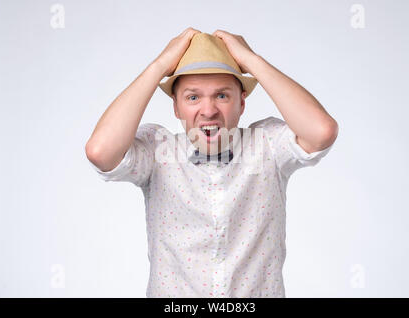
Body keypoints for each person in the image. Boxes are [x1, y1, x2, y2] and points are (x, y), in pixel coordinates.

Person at [85, 27, 338, 298]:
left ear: (242, 103)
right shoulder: (157, 150)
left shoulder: (268, 145)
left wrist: (252, 60)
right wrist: (158, 66)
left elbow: (321, 132)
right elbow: (100, 151)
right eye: (193, 97)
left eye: (222, 95)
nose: (208, 110)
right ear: (176, 107)